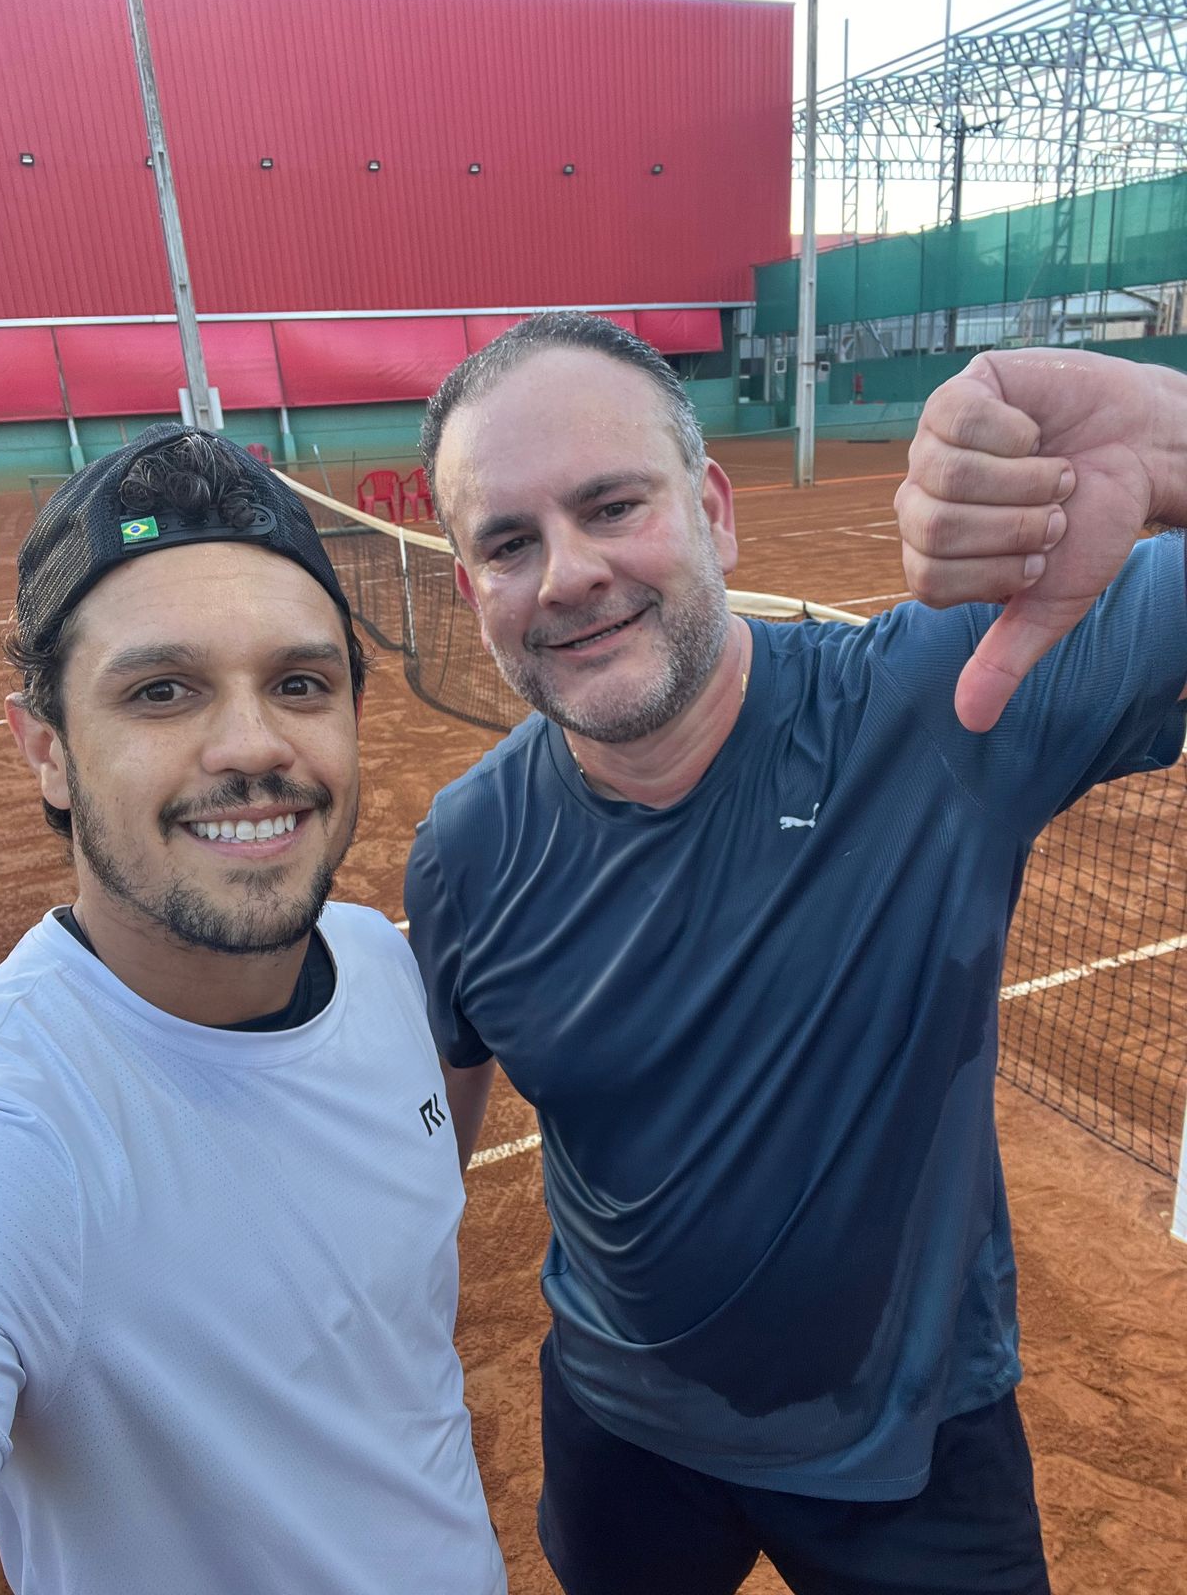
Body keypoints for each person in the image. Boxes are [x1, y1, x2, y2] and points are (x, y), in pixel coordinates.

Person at [404, 312, 1187, 1595]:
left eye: (612, 505)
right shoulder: (464, 848)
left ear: (713, 512)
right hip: (617, 1434)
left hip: (914, 1450)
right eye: (508, 542)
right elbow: (428, 1130)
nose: (568, 574)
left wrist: (1174, 443)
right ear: (470, 591)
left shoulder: (942, 704)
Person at [0, 427, 506, 1595]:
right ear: (48, 751)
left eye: (299, 683)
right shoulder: (19, 1127)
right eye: (161, 691)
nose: (252, 745)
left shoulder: (379, 964)